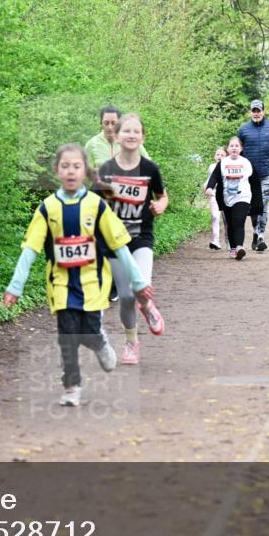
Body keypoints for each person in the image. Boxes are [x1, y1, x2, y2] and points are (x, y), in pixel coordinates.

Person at [3, 143, 155, 407]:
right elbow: (30, 249)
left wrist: (139, 282)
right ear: (57, 172)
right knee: (67, 335)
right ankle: (71, 386)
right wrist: (16, 286)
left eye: (76, 166)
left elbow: (120, 246)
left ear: (85, 171)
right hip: (60, 284)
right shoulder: (48, 208)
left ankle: (99, 343)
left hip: (93, 283)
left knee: (89, 331)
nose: (71, 171)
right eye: (65, 166)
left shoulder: (97, 206)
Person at [95, 114, 167, 365]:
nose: (132, 135)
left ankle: (147, 307)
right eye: (126, 131)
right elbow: (96, 203)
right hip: (115, 242)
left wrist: (161, 205)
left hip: (141, 237)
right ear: (116, 136)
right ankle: (131, 342)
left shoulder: (150, 169)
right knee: (125, 297)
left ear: (142, 137)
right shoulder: (107, 170)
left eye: (136, 131)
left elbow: (162, 195)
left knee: (141, 286)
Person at [237, 99, 269, 252]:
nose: (256, 113)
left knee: (263, 205)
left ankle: (260, 237)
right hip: (249, 176)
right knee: (254, 207)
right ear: (250, 112)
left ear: (263, 112)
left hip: (267, 174)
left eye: (259, 111)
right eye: (254, 111)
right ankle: (255, 232)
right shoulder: (243, 129)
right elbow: (237, 150)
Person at [205, 136, 257, 261]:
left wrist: (257, 199)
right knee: (230, 222)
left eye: (236, 146)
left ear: (241, 149)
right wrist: (210, 187)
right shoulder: (223, 163)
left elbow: (254, 180)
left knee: (239, 220)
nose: (234, 148)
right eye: (231, 146)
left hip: (243, 195)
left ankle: (239, 247)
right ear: (228, 149)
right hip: (227, 197)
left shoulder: (246, 162)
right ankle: (233, 247)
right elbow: (214, 176)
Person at [85, 105, 150, 168]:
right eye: (106, 123)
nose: (110, 127)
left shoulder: (130, 141)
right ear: (101, 123)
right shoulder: (92, 144)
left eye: (113, 123)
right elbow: (85, 171)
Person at [204, 146, 227, 250]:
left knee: (227, 220)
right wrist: (206, 187)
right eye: (217, 154)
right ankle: (216, 240)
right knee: (215, 217)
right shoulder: (211, 167)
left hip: (226, 196)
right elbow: (209, 180)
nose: (219, 156)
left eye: (222, 155)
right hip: (214, 195)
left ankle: (229, 240)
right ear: (214, 156)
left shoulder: (228, 166)